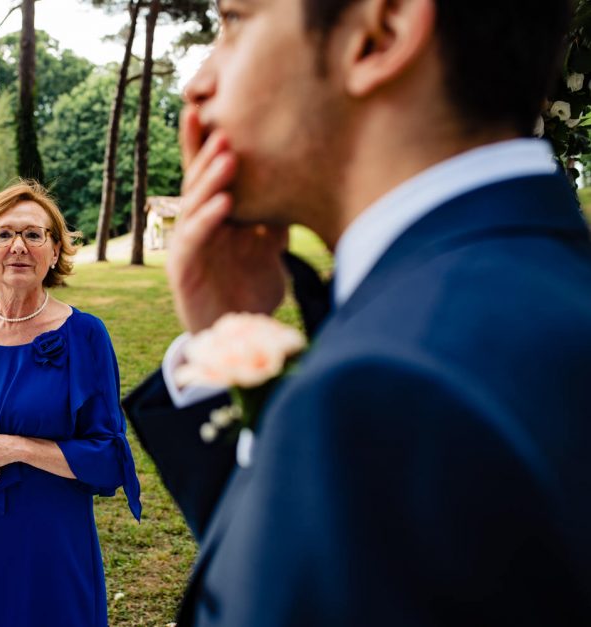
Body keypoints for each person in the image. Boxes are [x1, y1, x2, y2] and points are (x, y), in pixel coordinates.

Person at [122, 0, 591, 625]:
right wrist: (224, 339)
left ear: (381, 33)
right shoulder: (544, 293)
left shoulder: (389, 389)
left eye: (234, 22)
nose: (197, 83)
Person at [0, 180, 141, 627]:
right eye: (3, 234)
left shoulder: (85, 336)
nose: (18, 246)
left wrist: (16, 448)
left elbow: (110, 456)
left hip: (48, 544)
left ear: (54, 252)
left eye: (33, 235)